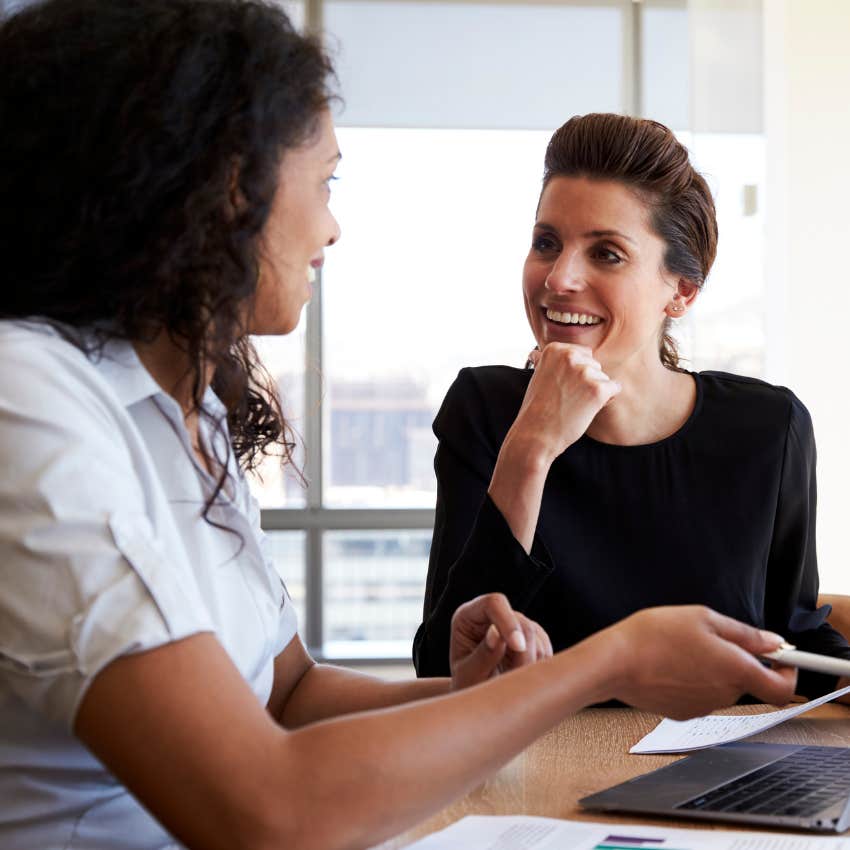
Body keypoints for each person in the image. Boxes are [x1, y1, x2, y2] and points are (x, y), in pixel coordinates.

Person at [0, 4, 796, 849]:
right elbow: (263, 811)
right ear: (215, 189)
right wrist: (605, 663)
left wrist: (481, 692)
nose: (331, 227)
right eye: (325, 182)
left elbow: (290, 694)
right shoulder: (29, 401)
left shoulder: (182, 412)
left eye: (606, 252)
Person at [413, 112, 850, 698]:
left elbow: (792, 638)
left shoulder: (769, 427)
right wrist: (532, 446)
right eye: (547, 243)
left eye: (607, 254)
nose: (559, 277)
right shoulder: (485, 411)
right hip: (542, 781)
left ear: (682, 291)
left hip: (719, 779)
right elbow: (444, 670)